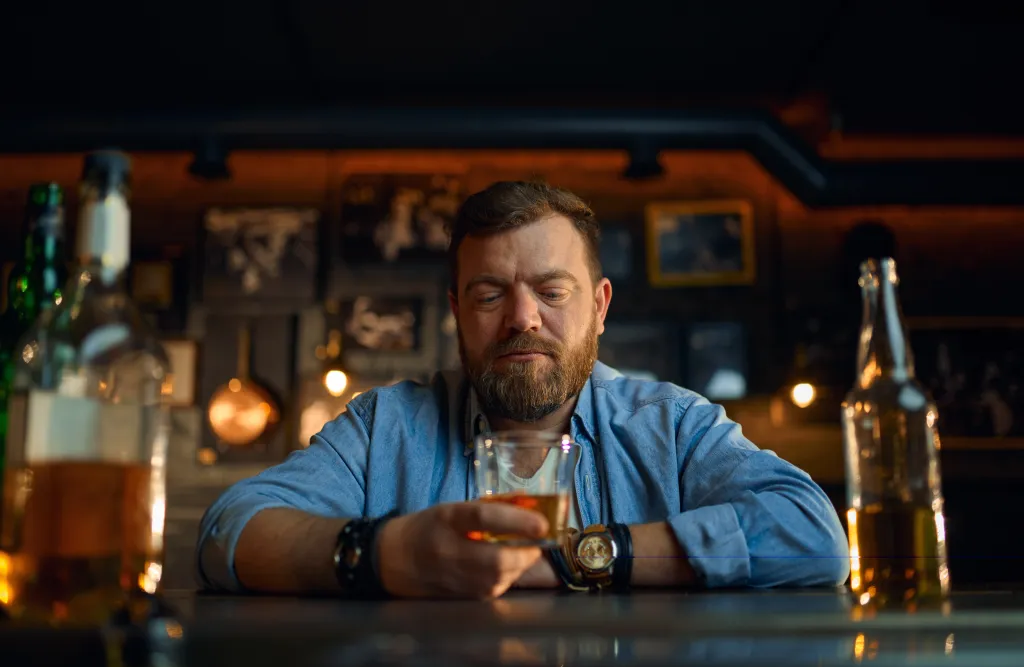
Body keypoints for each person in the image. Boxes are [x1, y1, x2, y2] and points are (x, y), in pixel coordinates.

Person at [195, 181, 850, 599]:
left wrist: (583, 555)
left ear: (599, 306)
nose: (522, 318)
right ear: (458, 310)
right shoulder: (383, 425)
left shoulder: (672, 423)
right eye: (490, 293)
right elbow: (230, 529)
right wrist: (386, 555)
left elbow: (813, 535)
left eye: (551, 290)